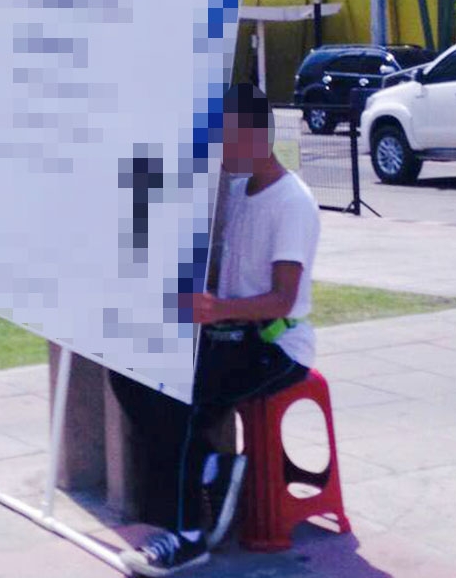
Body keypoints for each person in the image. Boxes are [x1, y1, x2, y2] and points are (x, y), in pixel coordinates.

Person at [118, 82, 322, 577]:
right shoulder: (238, 191)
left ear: (254, 135)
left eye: (223, 138)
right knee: (130, 373)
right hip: (229, 334)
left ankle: (189, 538)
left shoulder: (293, 203)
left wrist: (219, 309)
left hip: (276, 346)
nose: (218, 151)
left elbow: (284, 299)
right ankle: (211, 466)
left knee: (182, 403)